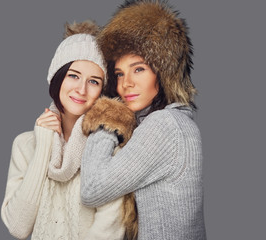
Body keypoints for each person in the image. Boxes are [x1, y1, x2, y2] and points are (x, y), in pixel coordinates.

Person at [80, 1, 207, 240]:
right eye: (119, 73)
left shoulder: (165, 125)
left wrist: (108, 117)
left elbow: (92, 189)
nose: (126, 83)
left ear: (163, 73)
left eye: (138, 69)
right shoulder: (178, 122)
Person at [0, 21, 126, 240]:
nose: (81, 89)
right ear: (57, 78)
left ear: (102, 90)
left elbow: (110, 229)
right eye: (73, 75)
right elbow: (18, 227)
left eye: (94, 81)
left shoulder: (110, 148)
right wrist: (44, 146)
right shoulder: (24, 144)